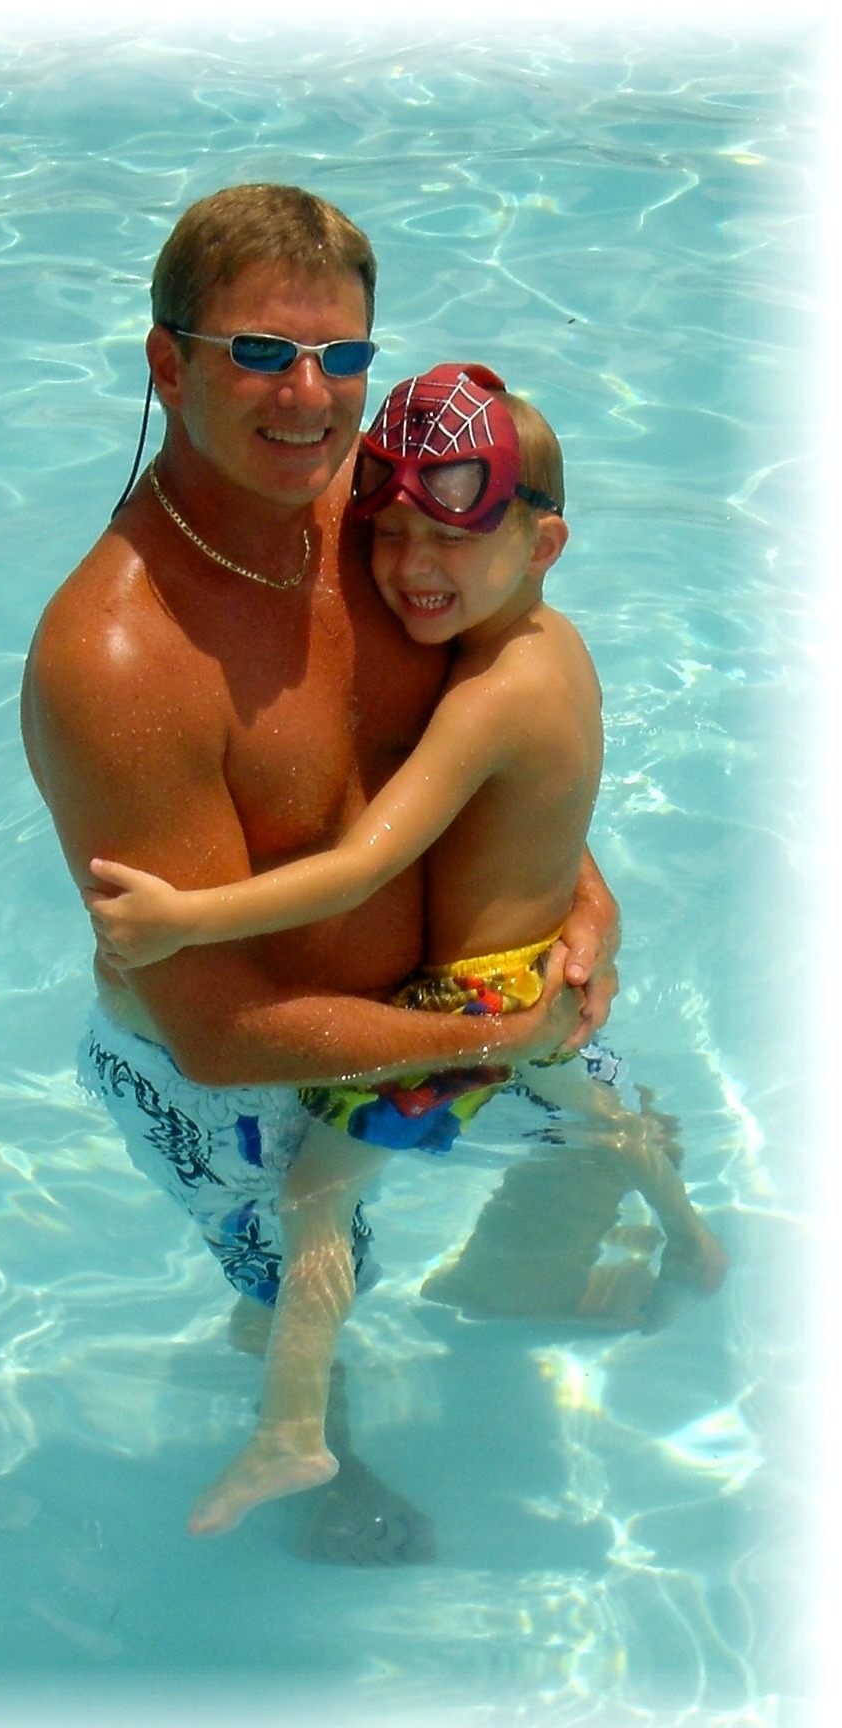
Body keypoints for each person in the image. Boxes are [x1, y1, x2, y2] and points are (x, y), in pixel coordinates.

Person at [20, 184, 620, 1558]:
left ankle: (512, 1294)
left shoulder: (383, 520)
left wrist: (579, 902)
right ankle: (311, 1463)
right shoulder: (123, 656)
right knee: (297, 1285)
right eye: (259, 354)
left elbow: (498, 727)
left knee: (618, 1137)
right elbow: (219, 1030)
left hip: (461, 992)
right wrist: (483, 1036)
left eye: (340, 356)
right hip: (238, 1080)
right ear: (167, 365)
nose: (309, 397)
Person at [84, 363, 723, 1537]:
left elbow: (362, 866)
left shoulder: (485, 697)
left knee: (315, 1195)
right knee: (598, 1106)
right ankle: (693, 1239)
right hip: (537, 967)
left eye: (450, 539)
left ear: (543, 544)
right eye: (389, 535)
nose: (412, 568)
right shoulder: (556, 648)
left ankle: (291, 1434)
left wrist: (185, 920)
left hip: (469, 999)